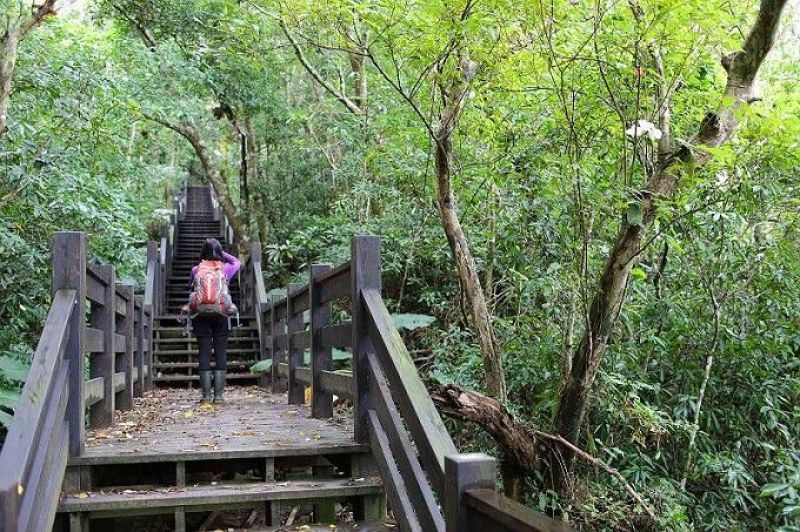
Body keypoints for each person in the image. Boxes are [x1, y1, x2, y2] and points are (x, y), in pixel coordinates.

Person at [187, 238, 240, 404]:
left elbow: (191, 288)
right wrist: (220, 253)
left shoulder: (196, 269)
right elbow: (237, 262)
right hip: (221, 315)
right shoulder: (225, 269)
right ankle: (218, 397)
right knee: (220, 353)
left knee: (204, 353)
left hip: (201, 316)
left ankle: (206, 397)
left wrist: (208, 253)